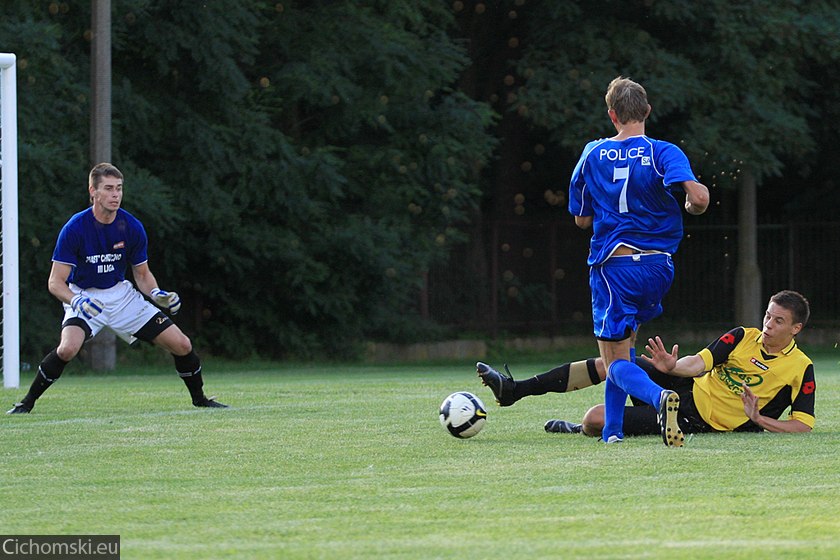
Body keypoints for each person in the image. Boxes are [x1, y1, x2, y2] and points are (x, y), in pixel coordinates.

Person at [7, 163, 227, 414]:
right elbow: (55, 282)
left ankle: (200, 400)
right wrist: (76, 300)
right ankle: (27, 403)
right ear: (93, 191)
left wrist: (157, 294)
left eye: (119, 189)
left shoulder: (131, 226)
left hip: (121, 296)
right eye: (109, 189)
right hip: (84, 297)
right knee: (67, 348)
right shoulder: (75, 228)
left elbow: (142, 275)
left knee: (183, 344)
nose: (115, 195)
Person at [564, 76, 709, 445]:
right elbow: (698, 199)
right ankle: (612, 432)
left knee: (614, 363)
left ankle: (660, 398)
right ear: (646, 111)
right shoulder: (664, 152)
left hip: (615, 267)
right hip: (659, 267)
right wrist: (691, 203)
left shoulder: (592, 154)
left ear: (612, 114)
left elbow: (581, 219)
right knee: (625, 348)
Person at [477, 290, 815, 438]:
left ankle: (581, 430)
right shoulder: (743, 335)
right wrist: (671, 366)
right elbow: (698, 363)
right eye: (768, 316)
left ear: (796, 328)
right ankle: (515, 390)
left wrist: (758, 419)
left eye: (778, 321)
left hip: (696, 419)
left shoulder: (801, 368)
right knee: (616, 361)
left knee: (593, 418)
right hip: (685, 388)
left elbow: (803, 425)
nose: (768, 325)